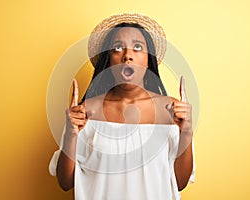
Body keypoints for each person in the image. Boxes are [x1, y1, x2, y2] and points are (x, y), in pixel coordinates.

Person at [49, 13, 195, 200]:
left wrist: (187, 133)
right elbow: (65, 182)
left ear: (148, 59)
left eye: (137, 47)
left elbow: (179, 182)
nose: (127, 56)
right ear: (109, 59)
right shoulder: (87, 111)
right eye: (118, 48)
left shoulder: (172, 111)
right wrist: (71, 135)